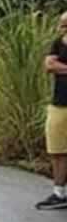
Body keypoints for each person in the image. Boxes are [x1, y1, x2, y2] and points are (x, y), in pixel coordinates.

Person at [38, 11, 67, 209]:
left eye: (65, 24)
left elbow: (55, 65)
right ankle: (59, 193)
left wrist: (60, 66)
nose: (62, 27)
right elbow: (49, 65)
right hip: (59, 102)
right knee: (57, 149)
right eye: (62, 24)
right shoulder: (58, 43)